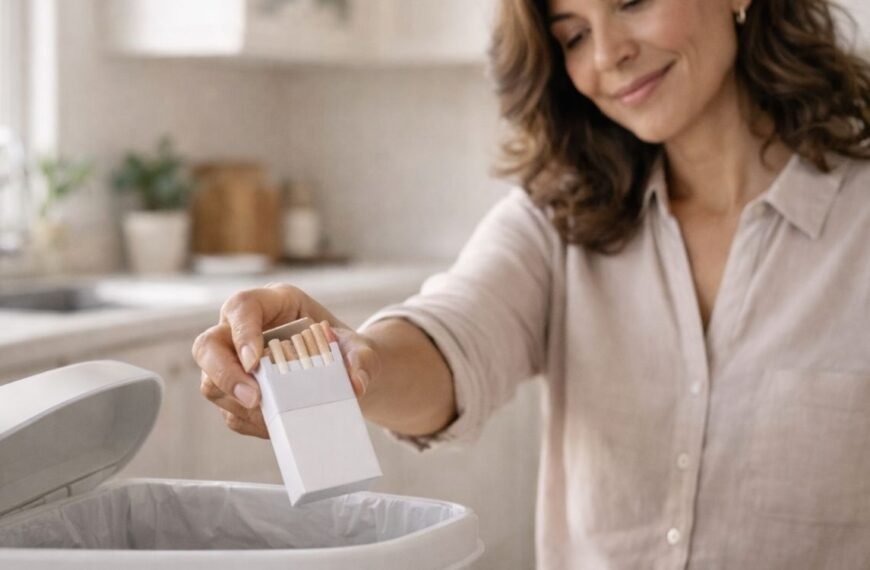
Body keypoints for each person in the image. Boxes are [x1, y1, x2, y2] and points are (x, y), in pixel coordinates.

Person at [192, 0, 870, 567]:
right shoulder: (562, 217)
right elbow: (456, 331)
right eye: (573, 35)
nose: (606, 56)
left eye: (632, 0)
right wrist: (349, 360)